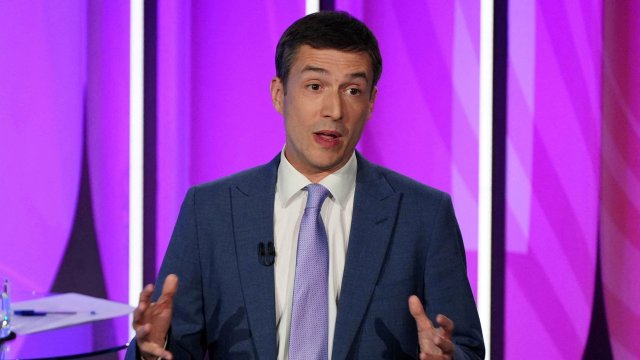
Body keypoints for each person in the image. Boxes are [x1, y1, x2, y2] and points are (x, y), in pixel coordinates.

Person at [127, 11, 484, 360]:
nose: (334, 109)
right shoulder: (211, 211)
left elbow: (466, 347)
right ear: (279, 94)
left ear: (371, 102)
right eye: (315, 86)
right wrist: (149, 353)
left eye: (353, 90)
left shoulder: (423, 215)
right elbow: (171, 346)